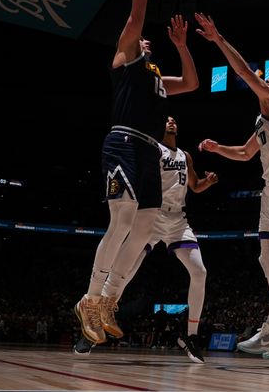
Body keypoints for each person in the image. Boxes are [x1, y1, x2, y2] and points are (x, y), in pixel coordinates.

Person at [73, 0, 199, 347]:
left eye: (146, 39)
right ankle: (90, 298)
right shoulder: (126, 58)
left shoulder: (158, 77)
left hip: (149, 154)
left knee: (145, 229)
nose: (144, 37)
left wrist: (182, 46)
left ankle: (109, 299)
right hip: (123, 141)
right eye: (139, 35)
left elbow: (194, 84)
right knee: (122, 218)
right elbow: (140, 1)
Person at [195, 12, 269, 360]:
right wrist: (218, 149)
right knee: (264, 255)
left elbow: (245, 73)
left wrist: (218, 40)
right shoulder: (264, 119)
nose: (267, 82)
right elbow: (246, 153)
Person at [75, 116, 218, 363]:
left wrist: (208, 182)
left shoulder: (186, 156)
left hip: (177, 221)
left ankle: (191, 336)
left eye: (174, 120)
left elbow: (193, 186)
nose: (171, 122)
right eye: (166, 120)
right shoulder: (152, 149)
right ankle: (91, 330)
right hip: (152, 216)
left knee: (200, 272)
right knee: (126, 273)